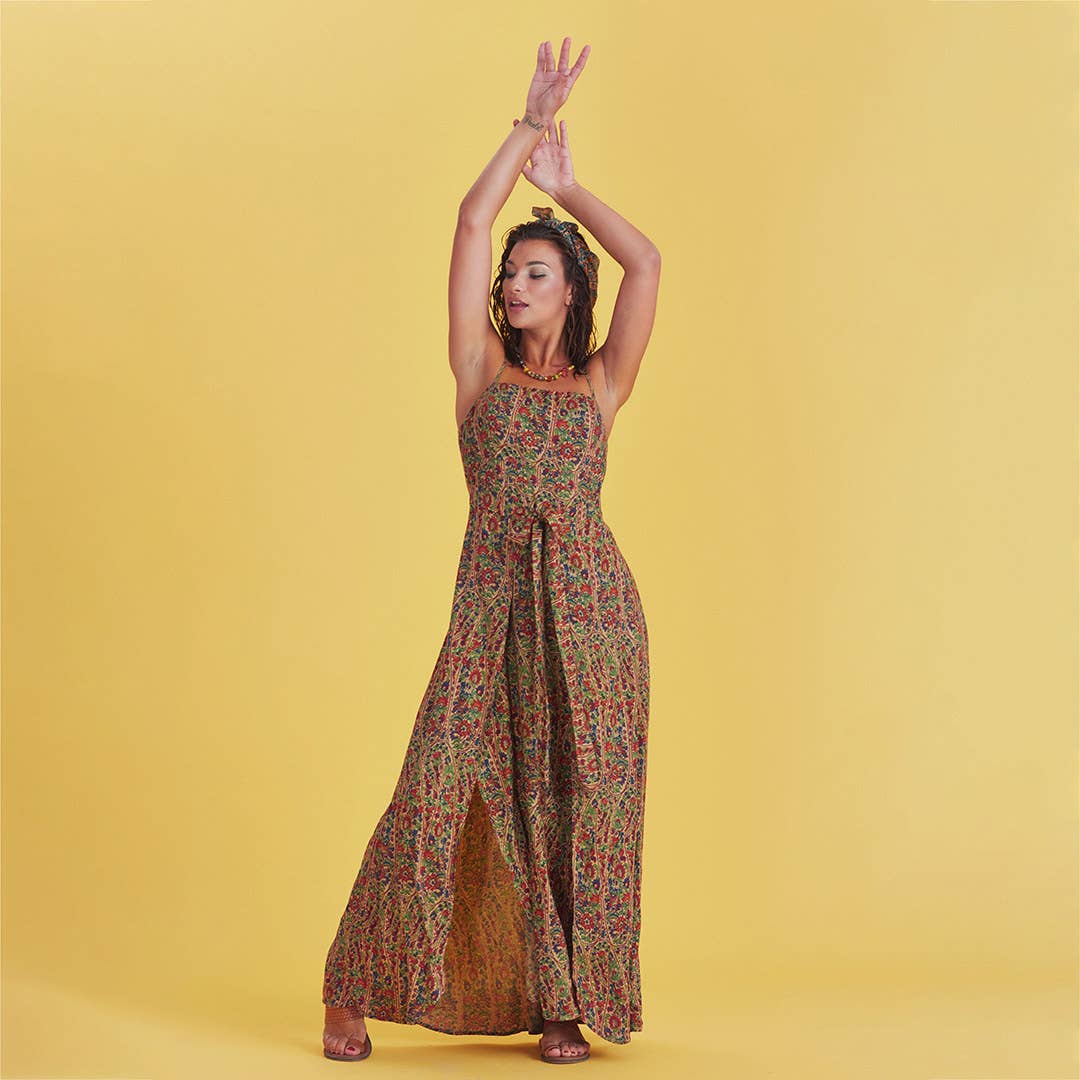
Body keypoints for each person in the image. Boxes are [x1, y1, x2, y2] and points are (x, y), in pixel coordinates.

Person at [321, 36, 660, 1065]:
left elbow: (647, 262)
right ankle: (350, 984)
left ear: (570, 293)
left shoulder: (601, 385)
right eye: (510, 273)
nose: (513, 284)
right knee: (436, 789)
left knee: (576, 808)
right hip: (490, 610)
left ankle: (563, 1002)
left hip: (594, 622)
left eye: (534, 272)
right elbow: (472, 218)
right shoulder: (479, 370)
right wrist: (527, 131)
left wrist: (569, 189)